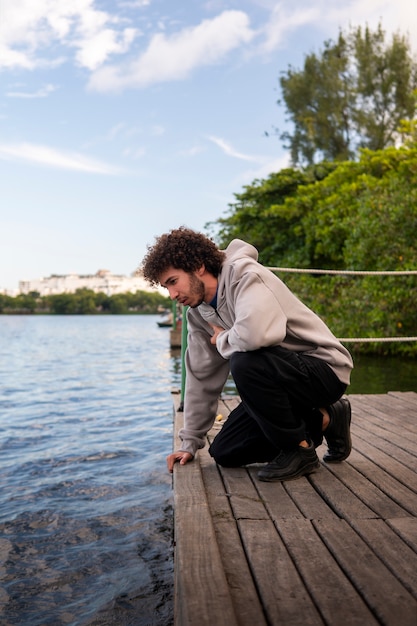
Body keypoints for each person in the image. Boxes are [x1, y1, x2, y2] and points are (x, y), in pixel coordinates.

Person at [141, 227, 353, 482]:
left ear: (197, 266)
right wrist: (189, 442)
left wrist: (221, 339)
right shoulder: (197, 314)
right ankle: (327, 418)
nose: (173, 295)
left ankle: (300, 450)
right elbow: (201, 377)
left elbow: (256, 335)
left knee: (245, 361)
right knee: (225, 451)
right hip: (280, 380)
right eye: (166, 287)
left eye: (173, 282)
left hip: (323, 370)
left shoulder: (246, 275)